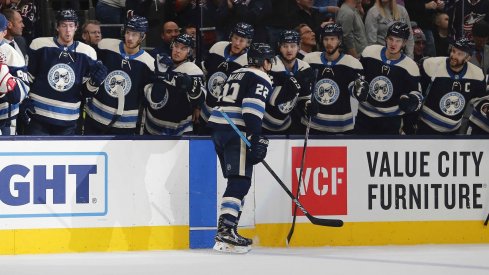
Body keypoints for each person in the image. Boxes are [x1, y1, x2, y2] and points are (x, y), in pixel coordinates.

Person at [207, 43, 274, 253]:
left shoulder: (237, 73)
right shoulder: (261, 77)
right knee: (240, 181)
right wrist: (256, 137)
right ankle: (226, 229)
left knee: (236, 180)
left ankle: (230, 230)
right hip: (236, 130)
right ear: (265, 62)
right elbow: (251, 110)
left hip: (219, 128)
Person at [26, 9, 107, 135]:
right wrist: (24, 102)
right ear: (57, 27)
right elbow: (27, 79)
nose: (68, 30)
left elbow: (85, 92)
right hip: (39, 117)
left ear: (76, 27)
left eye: (71, 25)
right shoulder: (39, 45)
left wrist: (94, 83)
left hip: (68, 121)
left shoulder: (88, 53)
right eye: (64, 25)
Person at [84, 15, 154, 135]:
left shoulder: (149, 64)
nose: (130, 38)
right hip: (94, 117)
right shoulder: (105, 46)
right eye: (128, 32)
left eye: (135, 34)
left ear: (143, 37)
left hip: (124, 125)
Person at [355, 22, 423, 134]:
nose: (393, 44)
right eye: (391, 39)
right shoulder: (369, 52)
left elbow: (416, 94)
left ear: (404, 43)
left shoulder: (410, 67)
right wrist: (356, 85)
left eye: (398, 40)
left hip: (390, 121)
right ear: (386, 39)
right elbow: (357, 77)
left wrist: (413, 101)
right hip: (364, 117)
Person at [302, 23, 368, 134]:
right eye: (326, 39)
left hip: (341, 127)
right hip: (312, 124)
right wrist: (305, 104)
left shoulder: (352, 63)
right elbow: (303, 89)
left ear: (340, 41)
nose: (329, 43)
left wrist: (359, 90)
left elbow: (355, 90)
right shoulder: (310, 60)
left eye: (333, 39)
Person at [417, 38, 486, 135]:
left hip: (453, 131)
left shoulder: (477, 75)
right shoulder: (432, 65)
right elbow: (418, 92)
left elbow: (479, 102)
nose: (454, 56)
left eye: (459, 54)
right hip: (426, 127)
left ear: (468, 58)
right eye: (453, 51)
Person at [143, 34, 205, 135]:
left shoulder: (193, 70)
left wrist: (190, 84)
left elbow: (200, 98)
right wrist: (160, 76)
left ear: (190, 52)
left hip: (180, 130)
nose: (178, 51)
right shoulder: (160, 64)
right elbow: (152, 98)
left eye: (183, 48)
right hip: (152, 128)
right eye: (176, 46)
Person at [199, 22, 254, 133]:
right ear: (231, 36)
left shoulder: (248, 63)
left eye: (242, 40)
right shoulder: (217, 47)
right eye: (236, 38)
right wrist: (197, 105)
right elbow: (203, 73)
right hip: (204, 112)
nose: (237, 43)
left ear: (248, 43)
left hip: (226, 120)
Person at [263, 30, 313, 135]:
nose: (289, 50)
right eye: (285, 46)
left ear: (299, 47)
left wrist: (308, 105)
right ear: (279, 47)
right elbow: (272, 100)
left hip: (286, 126)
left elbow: (304, 96)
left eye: (293, 46)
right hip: (263, 126)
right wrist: (295, 80)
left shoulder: (305, 67)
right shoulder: (270, 65)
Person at [0, 13, 29, 135]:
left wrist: (7, 81)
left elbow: (20, 94)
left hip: (4, 119)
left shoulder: (11, 54)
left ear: (4, 32)